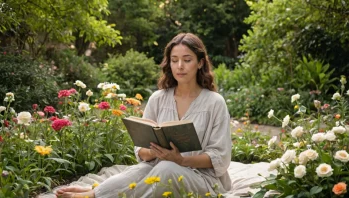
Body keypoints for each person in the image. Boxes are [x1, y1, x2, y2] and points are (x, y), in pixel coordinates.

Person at [56, 33, 232, 198]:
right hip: (155, 165)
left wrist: (180, 160)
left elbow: (220, 156)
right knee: (136, 172)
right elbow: (141, 149)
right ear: (168, 63)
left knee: (166, 169)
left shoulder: (214, 102)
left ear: (200, 63)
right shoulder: (158, 98)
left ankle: (94, 195)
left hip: (201, 178)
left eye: (187, 60)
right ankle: (97, 192)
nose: (180, 66)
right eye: (174, 60)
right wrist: (152, 152)